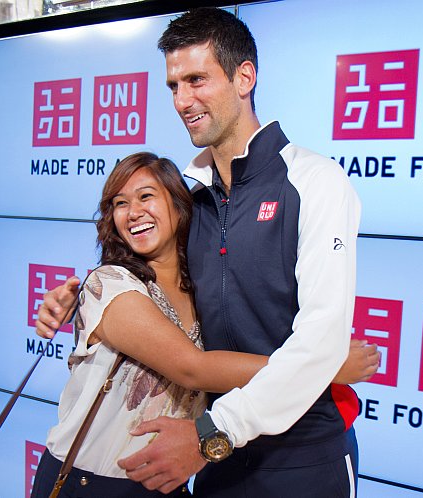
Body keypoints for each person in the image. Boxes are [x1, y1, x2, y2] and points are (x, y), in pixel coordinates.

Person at [36, 8, 379, 497]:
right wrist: (73, 298)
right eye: (174, 85)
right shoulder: (192, 198)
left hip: (298, 454)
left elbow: (320, 341)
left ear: (244, 77)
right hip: (212, 458)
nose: (183, 100)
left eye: (197, 80)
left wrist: (211, 435)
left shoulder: (315, 182)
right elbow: (147, 278)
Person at [31, 151, 271, 497]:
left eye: (146, 196)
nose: (133, 212)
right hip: (89, 485)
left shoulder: (206, 292)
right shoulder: (109, 283)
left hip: (168, 485)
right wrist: (316, 366)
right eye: (120, 203)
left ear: (178, 206)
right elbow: (192, 369)